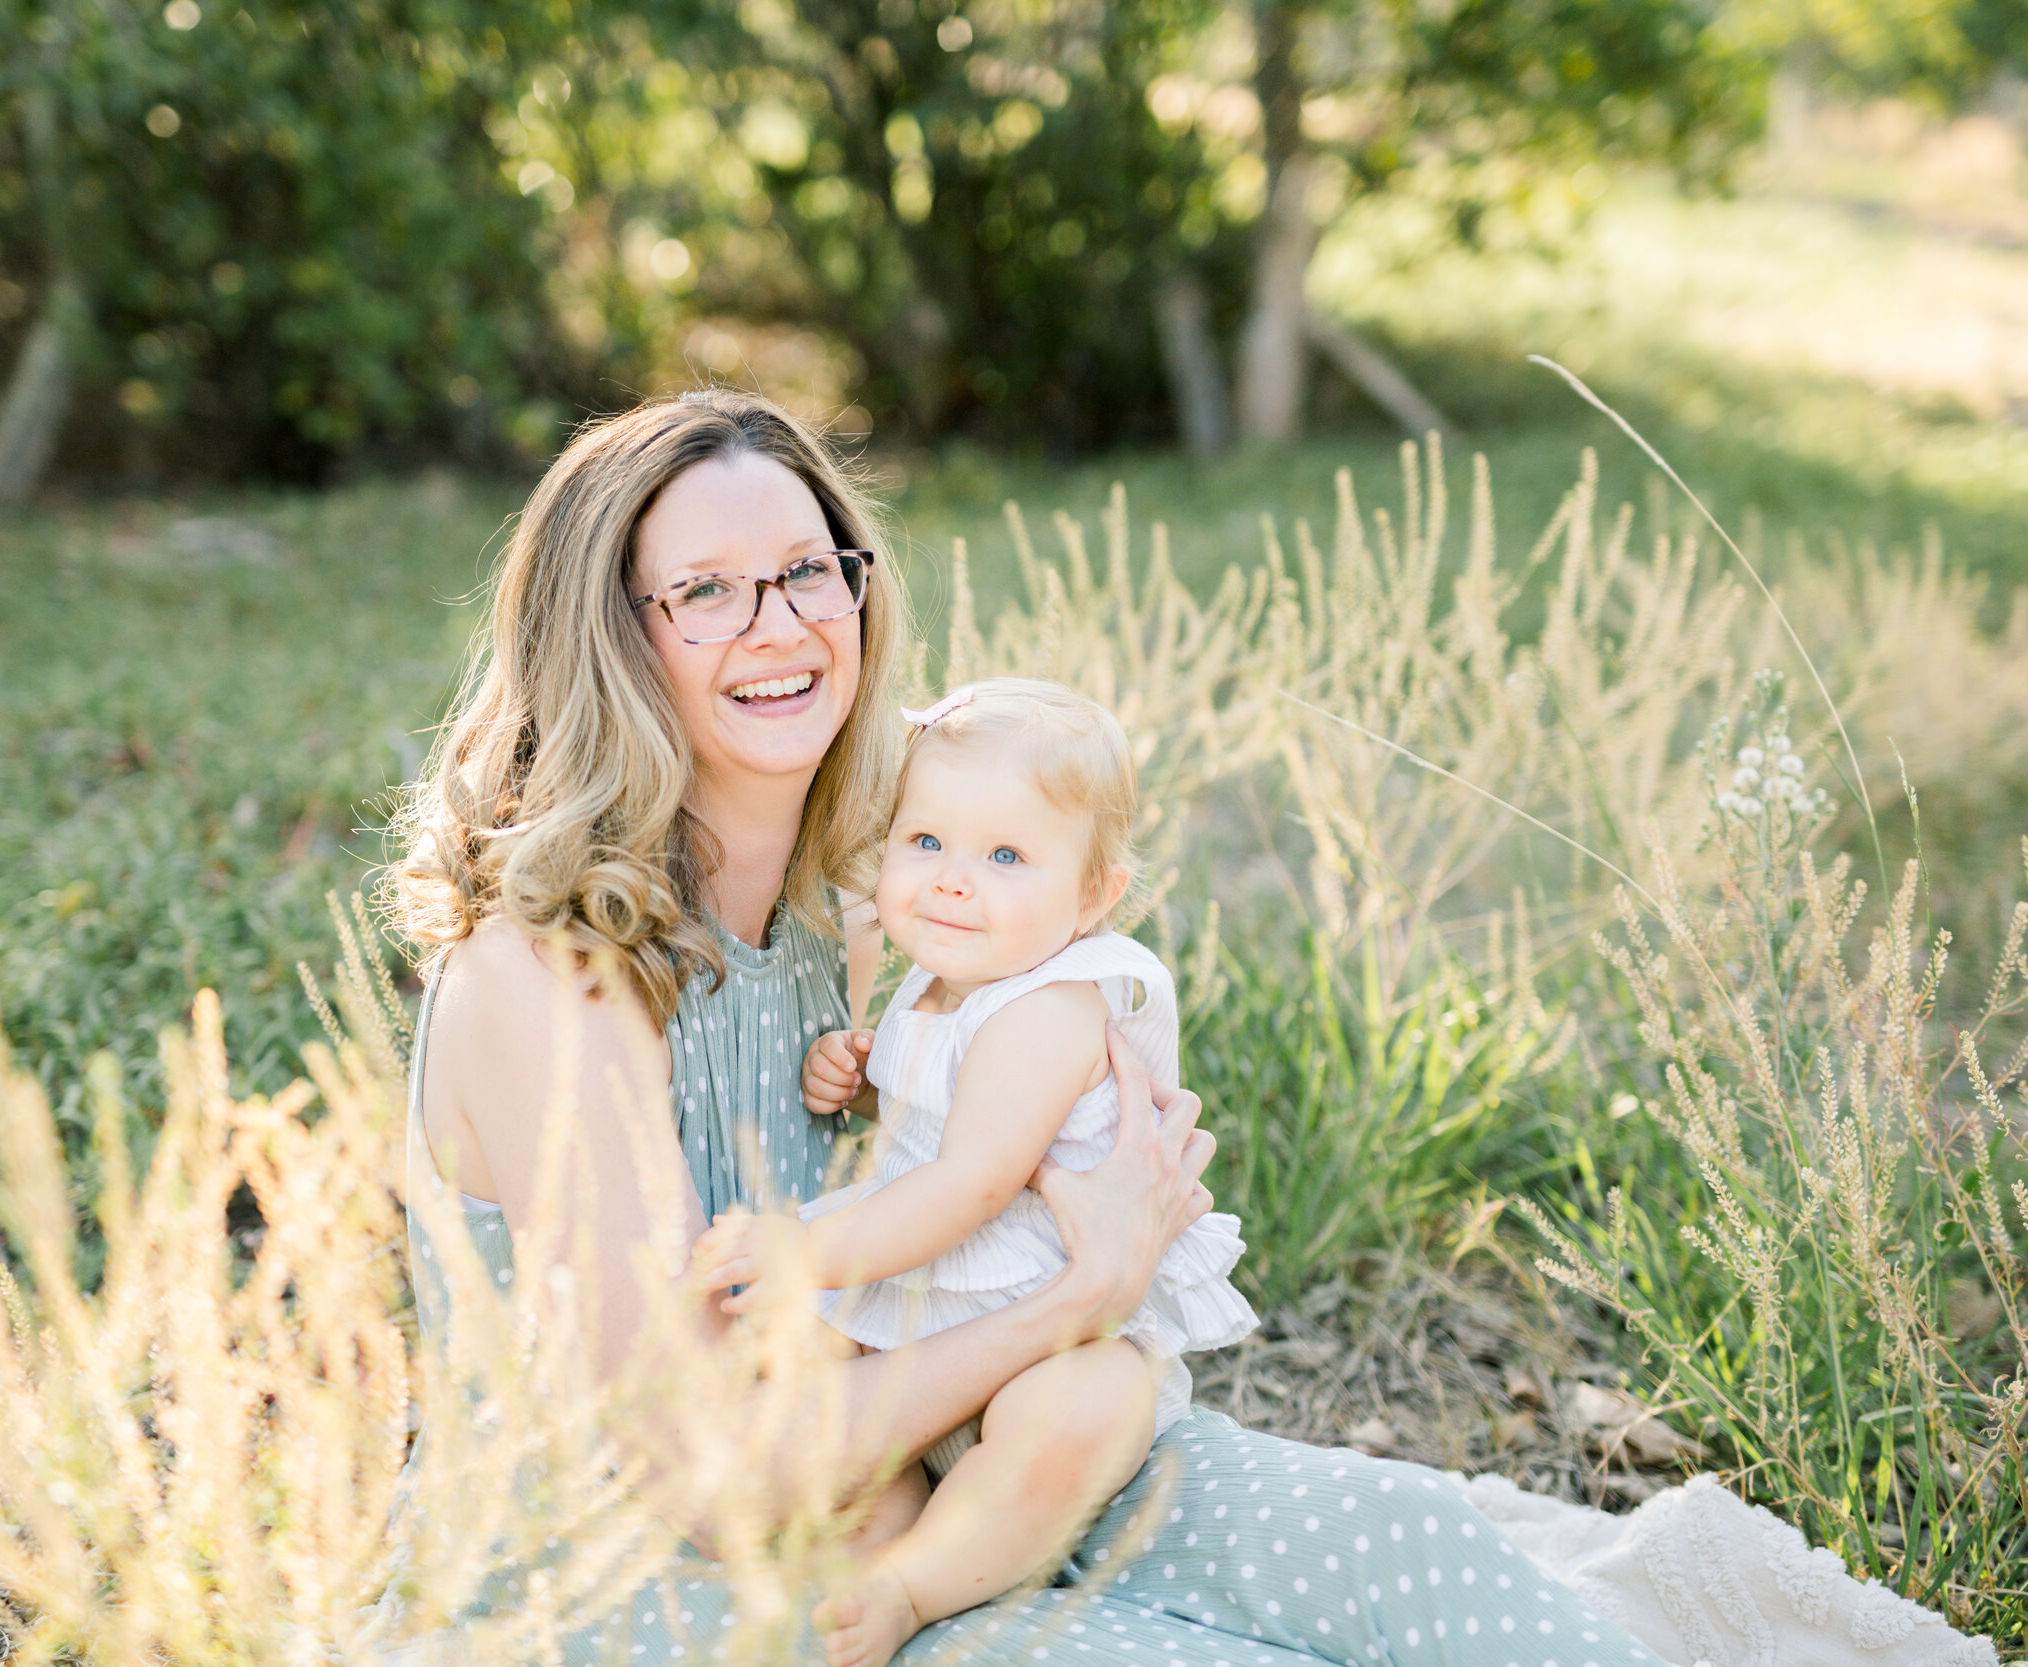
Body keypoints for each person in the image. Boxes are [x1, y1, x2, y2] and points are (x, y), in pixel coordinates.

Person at [388, 387, 1654, 1665]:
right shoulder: (552, 978)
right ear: (610, 640)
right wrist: (1080, 1293)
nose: (778, 626)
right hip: (631, 1578)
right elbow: (708, 1473)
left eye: (804, 572)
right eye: (706, 592)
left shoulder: (869, 906)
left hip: (931, 1461)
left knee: (1403, 1539)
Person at [689, 678, 1258, 1667]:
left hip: (1039, 1321)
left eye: (1004, 855)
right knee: (773, 1356)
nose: (954, 879)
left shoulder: (1049, 1005)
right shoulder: (951, 972)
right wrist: (870, 1087)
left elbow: (973, 1184)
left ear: (1092, 894)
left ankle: (920, 1582)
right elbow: (948, 1119)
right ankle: (885, 1517)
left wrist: (804, 1251)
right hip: (934, 1298)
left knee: (1087, 1407)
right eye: (926, 843)